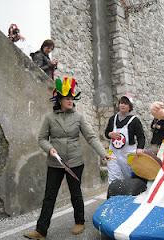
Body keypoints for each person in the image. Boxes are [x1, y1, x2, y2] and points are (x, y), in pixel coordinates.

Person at [23, 77, 111, 239]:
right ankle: (41, 231)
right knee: (50, 196)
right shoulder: (49, 118)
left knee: (75, 193)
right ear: (60, 100)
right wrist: (49, 149)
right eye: (67, 98)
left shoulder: (78, 117)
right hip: (55, 163)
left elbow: (91, 137)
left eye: (72, 98)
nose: (70, 100)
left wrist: (103, 153)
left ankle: (80, 221)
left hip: (75, 162)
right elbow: (42, 139)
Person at [105, 94, 145, 184]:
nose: (122, 105)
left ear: (130, 106)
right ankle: (114, 195)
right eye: (121, 103)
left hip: (128, 154)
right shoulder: (112, 119)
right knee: (113, 177)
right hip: (114, 153)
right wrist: (109, 134)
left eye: (126, 103)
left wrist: (140, 148)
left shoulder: (135, 120)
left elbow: (141, 137)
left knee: (130, 177)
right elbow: (106, 133)